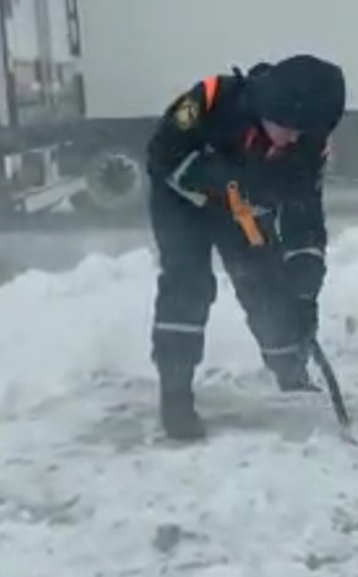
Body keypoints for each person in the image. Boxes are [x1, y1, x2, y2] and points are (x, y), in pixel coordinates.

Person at [145, 53, 346, 442]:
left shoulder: (308, 141)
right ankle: (175, 392)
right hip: (181, 201)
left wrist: (306, 276)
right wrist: (215, 180)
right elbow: (161, 155)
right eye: (286, 128)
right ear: (269, 107)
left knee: (267, 282)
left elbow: (304, 211)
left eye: (301, 132)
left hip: (242, 210)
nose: (292, 139)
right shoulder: (210, 97)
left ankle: (290, 370)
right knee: (188, 284)